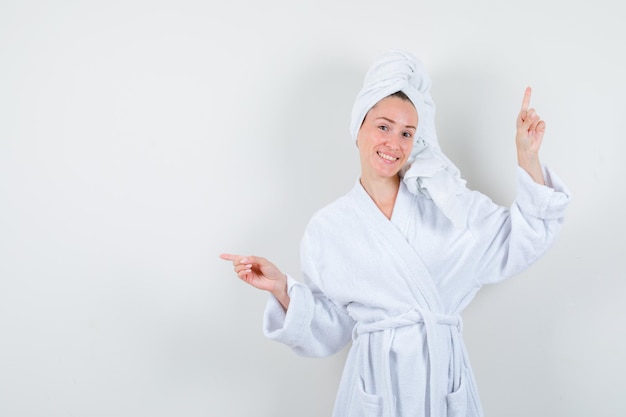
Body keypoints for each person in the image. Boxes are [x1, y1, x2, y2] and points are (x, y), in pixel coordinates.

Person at [220, 49, 570, 417]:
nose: (394, 143)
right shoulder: (328, 228)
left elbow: (519, 240)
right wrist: (281, 288)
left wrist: (527, 156)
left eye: (407, 133)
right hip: (375, 389)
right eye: (383, 126)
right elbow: (330, 328)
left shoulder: (448, 205)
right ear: (359, 128)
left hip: (444, 382)